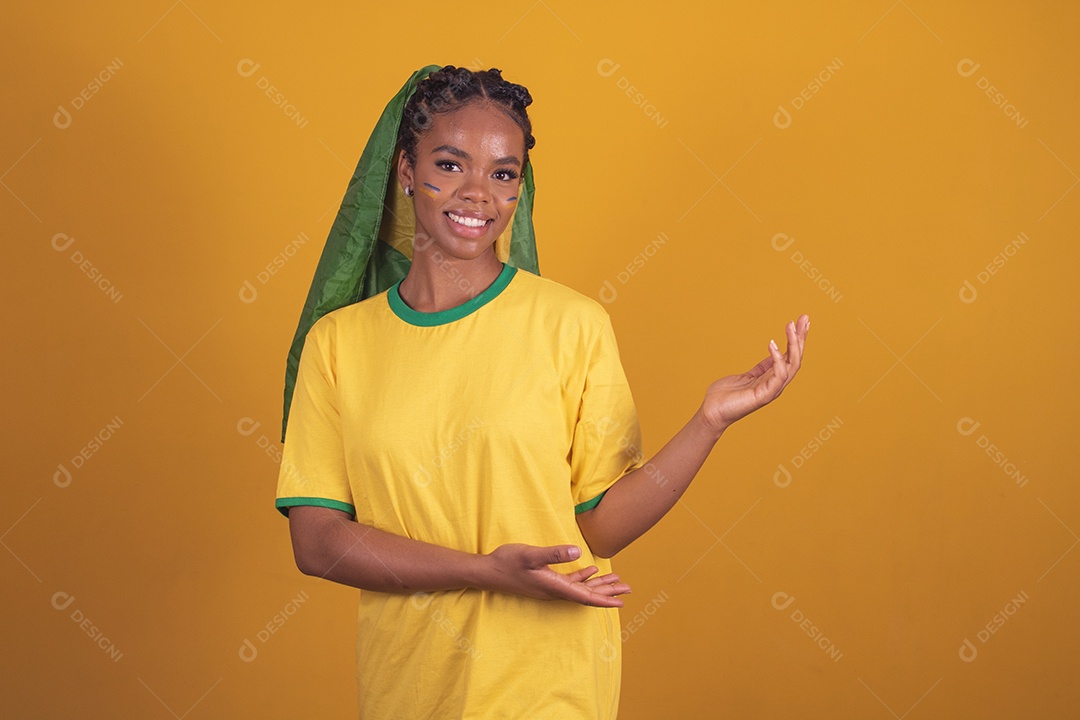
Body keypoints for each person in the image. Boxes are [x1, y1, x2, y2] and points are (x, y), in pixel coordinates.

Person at [276, 65, 809, 719]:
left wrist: (709, 422)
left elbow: (602, 525)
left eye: (503, 174)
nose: (479, 194)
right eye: (450, 164)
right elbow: (320, 542)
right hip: (410, 687)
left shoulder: (572, 324)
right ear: (406, 171)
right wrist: (483, 571)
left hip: (550, 682)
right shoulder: (339, 345)